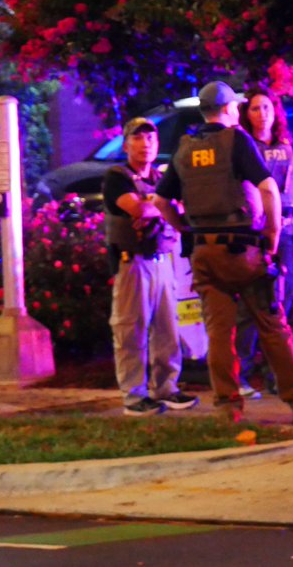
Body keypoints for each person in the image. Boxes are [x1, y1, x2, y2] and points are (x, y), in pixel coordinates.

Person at [150, 81, 293, 425]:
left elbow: (161, 201)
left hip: (204, 253)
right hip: (244, 250)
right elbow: (268, 189)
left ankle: (228, 410)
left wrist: (184, 229)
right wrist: (273, 235)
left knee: (219, 332)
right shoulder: (237, 140)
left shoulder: (185, 148)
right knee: (272, 325)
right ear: (230, 109)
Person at [103, 117, 199, 416]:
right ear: (126, 143)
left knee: (167, 330)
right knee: (130, 331)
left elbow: (179, 208)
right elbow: (138, 208)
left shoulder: (160, 177)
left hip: (162, 261)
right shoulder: (117, 177)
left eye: (150, 139)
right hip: (132, 263)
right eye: (138, 138)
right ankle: (134, 396)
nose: (145, 144)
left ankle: (166, 388)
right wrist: (159, 206)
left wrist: (154, 204)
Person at [235, 88, 293, 398]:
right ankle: (241, 372)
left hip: (289, 234)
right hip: (257, 234)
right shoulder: (243, 147)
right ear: (247, 114)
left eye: (267, 107)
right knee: (251, 305)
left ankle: (275, 373)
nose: (262, 113)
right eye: (255, 108)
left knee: (282, 302)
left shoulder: (288, 147)